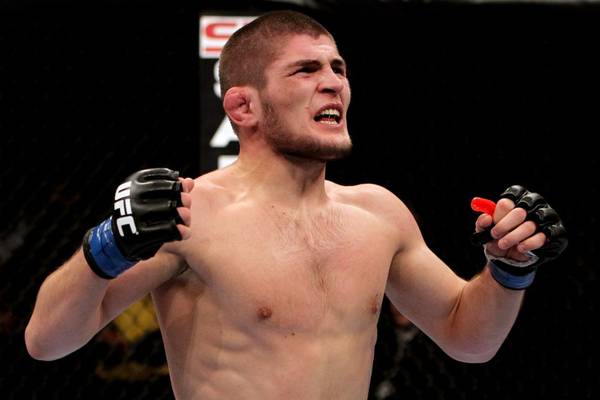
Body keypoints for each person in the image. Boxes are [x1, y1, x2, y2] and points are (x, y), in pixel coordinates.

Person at [25, 10, 567, 400]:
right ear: (243, 106)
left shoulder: (378, 213)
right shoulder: (191, 214)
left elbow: (467, 339)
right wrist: (105, 249)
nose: (333, 84)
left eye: (339, 68)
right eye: (306, 70)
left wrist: (508, 269)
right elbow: (46, 343)